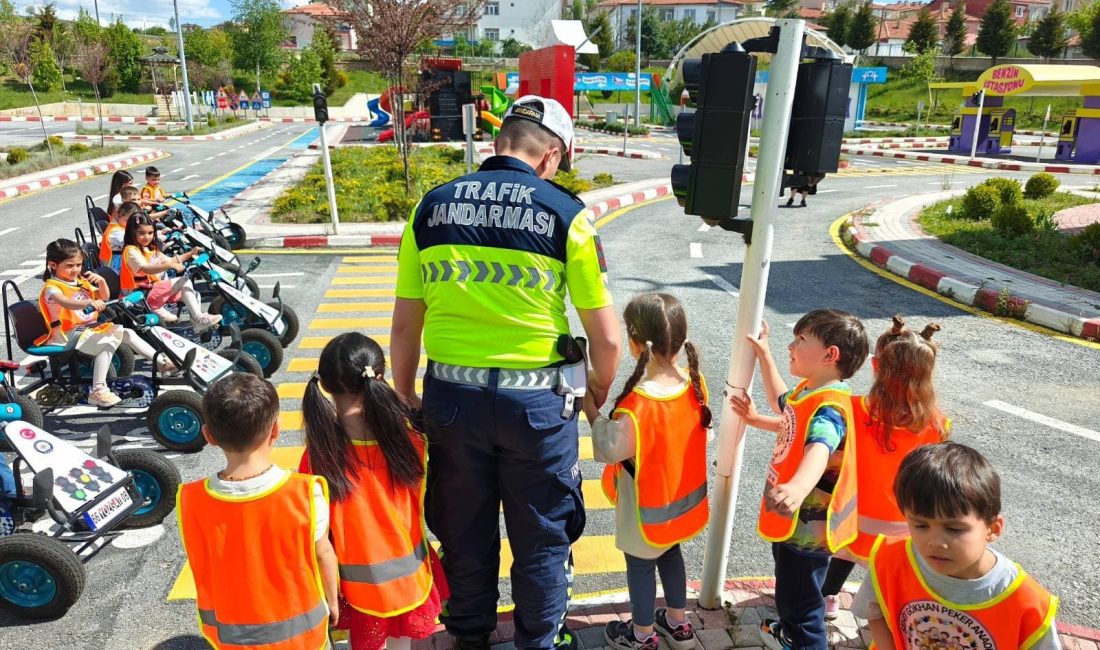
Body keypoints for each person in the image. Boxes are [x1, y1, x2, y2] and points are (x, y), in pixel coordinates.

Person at [391, 95, 622, 650]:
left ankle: (469, 636)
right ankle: (537, 641)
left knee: (463, 530)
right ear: (551, 156)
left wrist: (407, 395)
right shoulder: (567, 215)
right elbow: (608, 339)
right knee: (542, 536)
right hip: (538, 407)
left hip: (452, 400)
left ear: (500, 143)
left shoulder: (430, 208)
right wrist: (594, 390)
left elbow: (404, 326)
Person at [729, 309, 869, 650]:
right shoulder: (811, 391)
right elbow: (785, 406)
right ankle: (791, 629)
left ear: (829, 355)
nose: (791, 346)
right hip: (794, 521)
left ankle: (803, 639)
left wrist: (798, 486)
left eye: (801, 339)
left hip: (807, 526)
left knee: (803, 604)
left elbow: (820, 448)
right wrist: (764, 356)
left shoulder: (830, 408)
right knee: (790, 586)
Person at [299, 332, 447, 650]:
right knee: (402, 644)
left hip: (353, 587)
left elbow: (312, 531)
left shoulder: (318, 456)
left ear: (324, 386)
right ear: (379, 377)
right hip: (410, 576)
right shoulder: (412, 441)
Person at [177, 373, 340, 649]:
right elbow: (324, 554)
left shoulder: (190, 498)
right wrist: (332, 602)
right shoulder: (304, 493)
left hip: (233, 637)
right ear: (276, 430)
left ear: (208, 436)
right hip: (302, 635)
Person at [585, 293, 710, 650]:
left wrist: (591, 410)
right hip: (678, 502)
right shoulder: (693, 383)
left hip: (644, 506)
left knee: (640, 566)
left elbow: (611, 446)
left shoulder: (639, 403)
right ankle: (678, 623)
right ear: (681, 341)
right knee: (670, 554)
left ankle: (641, 635)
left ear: (635, 342)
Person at [853, 442, 1060, 649]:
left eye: (953, 529)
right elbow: (875, 612)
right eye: (920, 525)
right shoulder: (891, 560)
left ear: (993, 529)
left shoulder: (1028, 604)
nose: (935, 542)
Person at [819, 315, 950, 620]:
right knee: (892, 569)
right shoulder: (938, 424)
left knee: (842, 556)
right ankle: (889, 614)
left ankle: (827, 597)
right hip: (904, 524)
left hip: (852, 514)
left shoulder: (852, 410)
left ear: (876, 365)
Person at [39, 239, 172, 407]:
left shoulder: (79, 281)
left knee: (128, 333)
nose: (76, 270)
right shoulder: (51, 287)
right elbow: (66, 302)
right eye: (70, 266)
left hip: (87, 329)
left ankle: (162, 363)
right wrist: (88, 303)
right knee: (107, 343)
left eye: (79, 265)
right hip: (66, 335)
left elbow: (104, 297)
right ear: (53, 265)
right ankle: (98, 390)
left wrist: (101, 282)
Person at [120, 214, 221, 331]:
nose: (147, 237)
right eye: (141, 233)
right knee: (184, 281)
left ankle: (198, 323)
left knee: (193, 294)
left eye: (150, 233)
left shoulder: (149, 248)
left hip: (152, 289)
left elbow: (170, 260)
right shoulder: (131, 251)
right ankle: (198, 319)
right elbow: (146, 268)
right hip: (140, 294)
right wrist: (170, 266)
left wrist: (191, 253)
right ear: (132, 233)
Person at [99, 200, 142, 273]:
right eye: (127, 220)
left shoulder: (121, 226)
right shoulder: (116, 232)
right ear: (118, 216)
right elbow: (130, 242)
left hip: (118, 258)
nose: (131, 223)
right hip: (113, 264)